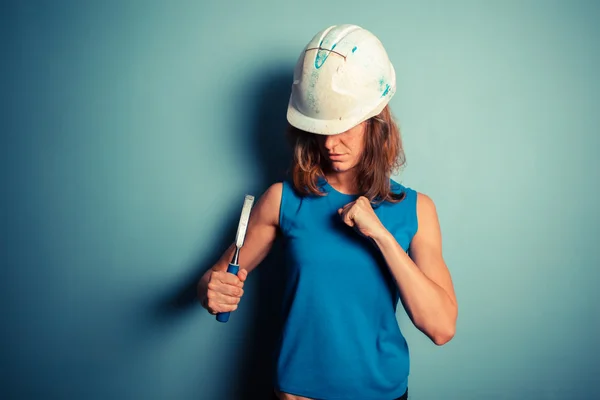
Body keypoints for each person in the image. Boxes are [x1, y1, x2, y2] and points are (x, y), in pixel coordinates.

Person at [197, 24, 458, 400]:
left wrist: (380, 235)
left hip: (382, 395)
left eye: (344, 126)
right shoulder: (282, 199)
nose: (329, 143)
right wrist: (211, 288)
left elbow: (441, 327)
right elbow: (217, 278)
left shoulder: (417, 209)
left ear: (375, 120)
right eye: (320, 127)